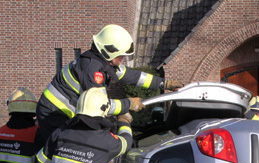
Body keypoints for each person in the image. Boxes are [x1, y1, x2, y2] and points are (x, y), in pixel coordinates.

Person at [35, 24, 182, 145]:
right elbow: (101, 106)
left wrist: (163, 83)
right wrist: (128, 104)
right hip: (54, 113)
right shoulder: (93, 71)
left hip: (64, 110)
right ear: (108, 52)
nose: (122, 59)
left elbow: (133, 76)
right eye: (120, 56)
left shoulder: (103, 62)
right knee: (67, 151)